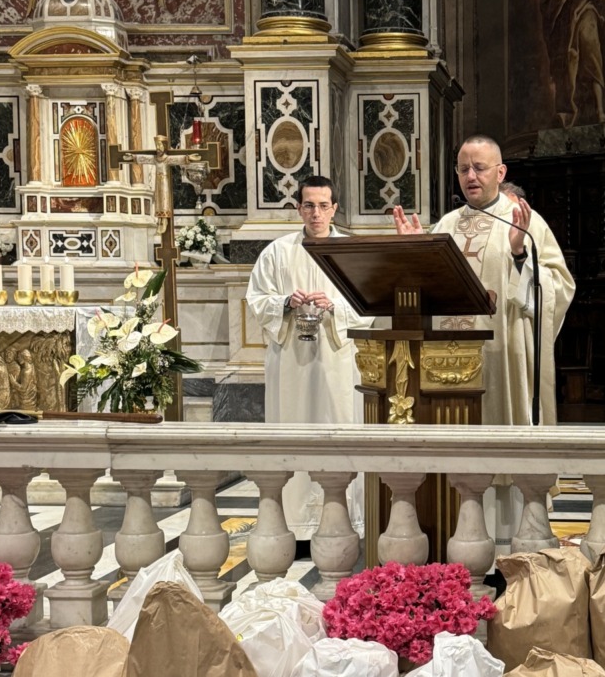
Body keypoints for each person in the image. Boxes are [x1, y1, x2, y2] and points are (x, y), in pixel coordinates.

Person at [392, 135, 575, 427]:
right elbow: (427, 290)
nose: (471, 176)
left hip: (501, 353)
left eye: (479, 167)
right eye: (463, 169)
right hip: (445, 360)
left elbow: (560, 288)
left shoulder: (524, 221)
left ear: (500, 173)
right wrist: (417, 254)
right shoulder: (445, 225)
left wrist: (519, 254)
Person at [246, 176, 372, 546]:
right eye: (308, 205)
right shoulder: (277, 252)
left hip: (338, 363)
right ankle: (298, 527)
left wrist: (336, 308)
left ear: (334, 208)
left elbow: (371, 303)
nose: (316, 213)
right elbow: (256, 299)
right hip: (292, 365)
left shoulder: (352, 252)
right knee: (294, 430)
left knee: (341, 429)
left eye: (323, 205)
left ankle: (347, 520)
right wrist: (285, 302)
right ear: (298, 208)